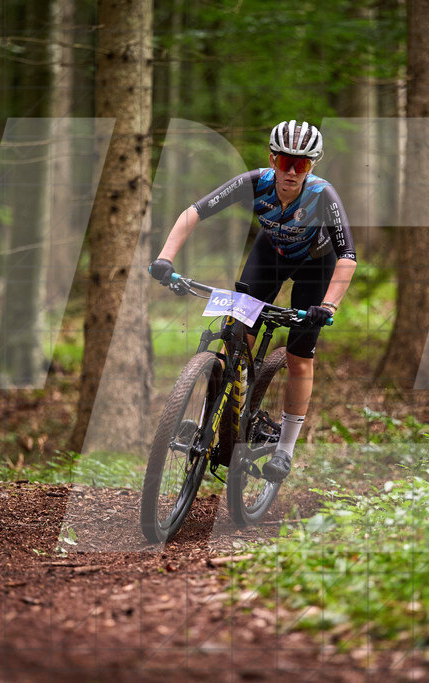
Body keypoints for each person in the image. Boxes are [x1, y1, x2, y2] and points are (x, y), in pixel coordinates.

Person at [149, 120, 357, 482]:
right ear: (271, 159)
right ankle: (216, 416)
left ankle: (286, 449)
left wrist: (329, 306)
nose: (291, 172)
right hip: (270, 256)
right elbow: (194, 212)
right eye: (283, 161)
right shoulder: (254, 182)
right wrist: (166, 258)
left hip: (315, 267)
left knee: (298, 356)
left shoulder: (323, 195)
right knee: (236, 336)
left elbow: (347, 257)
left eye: (301, 164)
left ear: (313, 166)